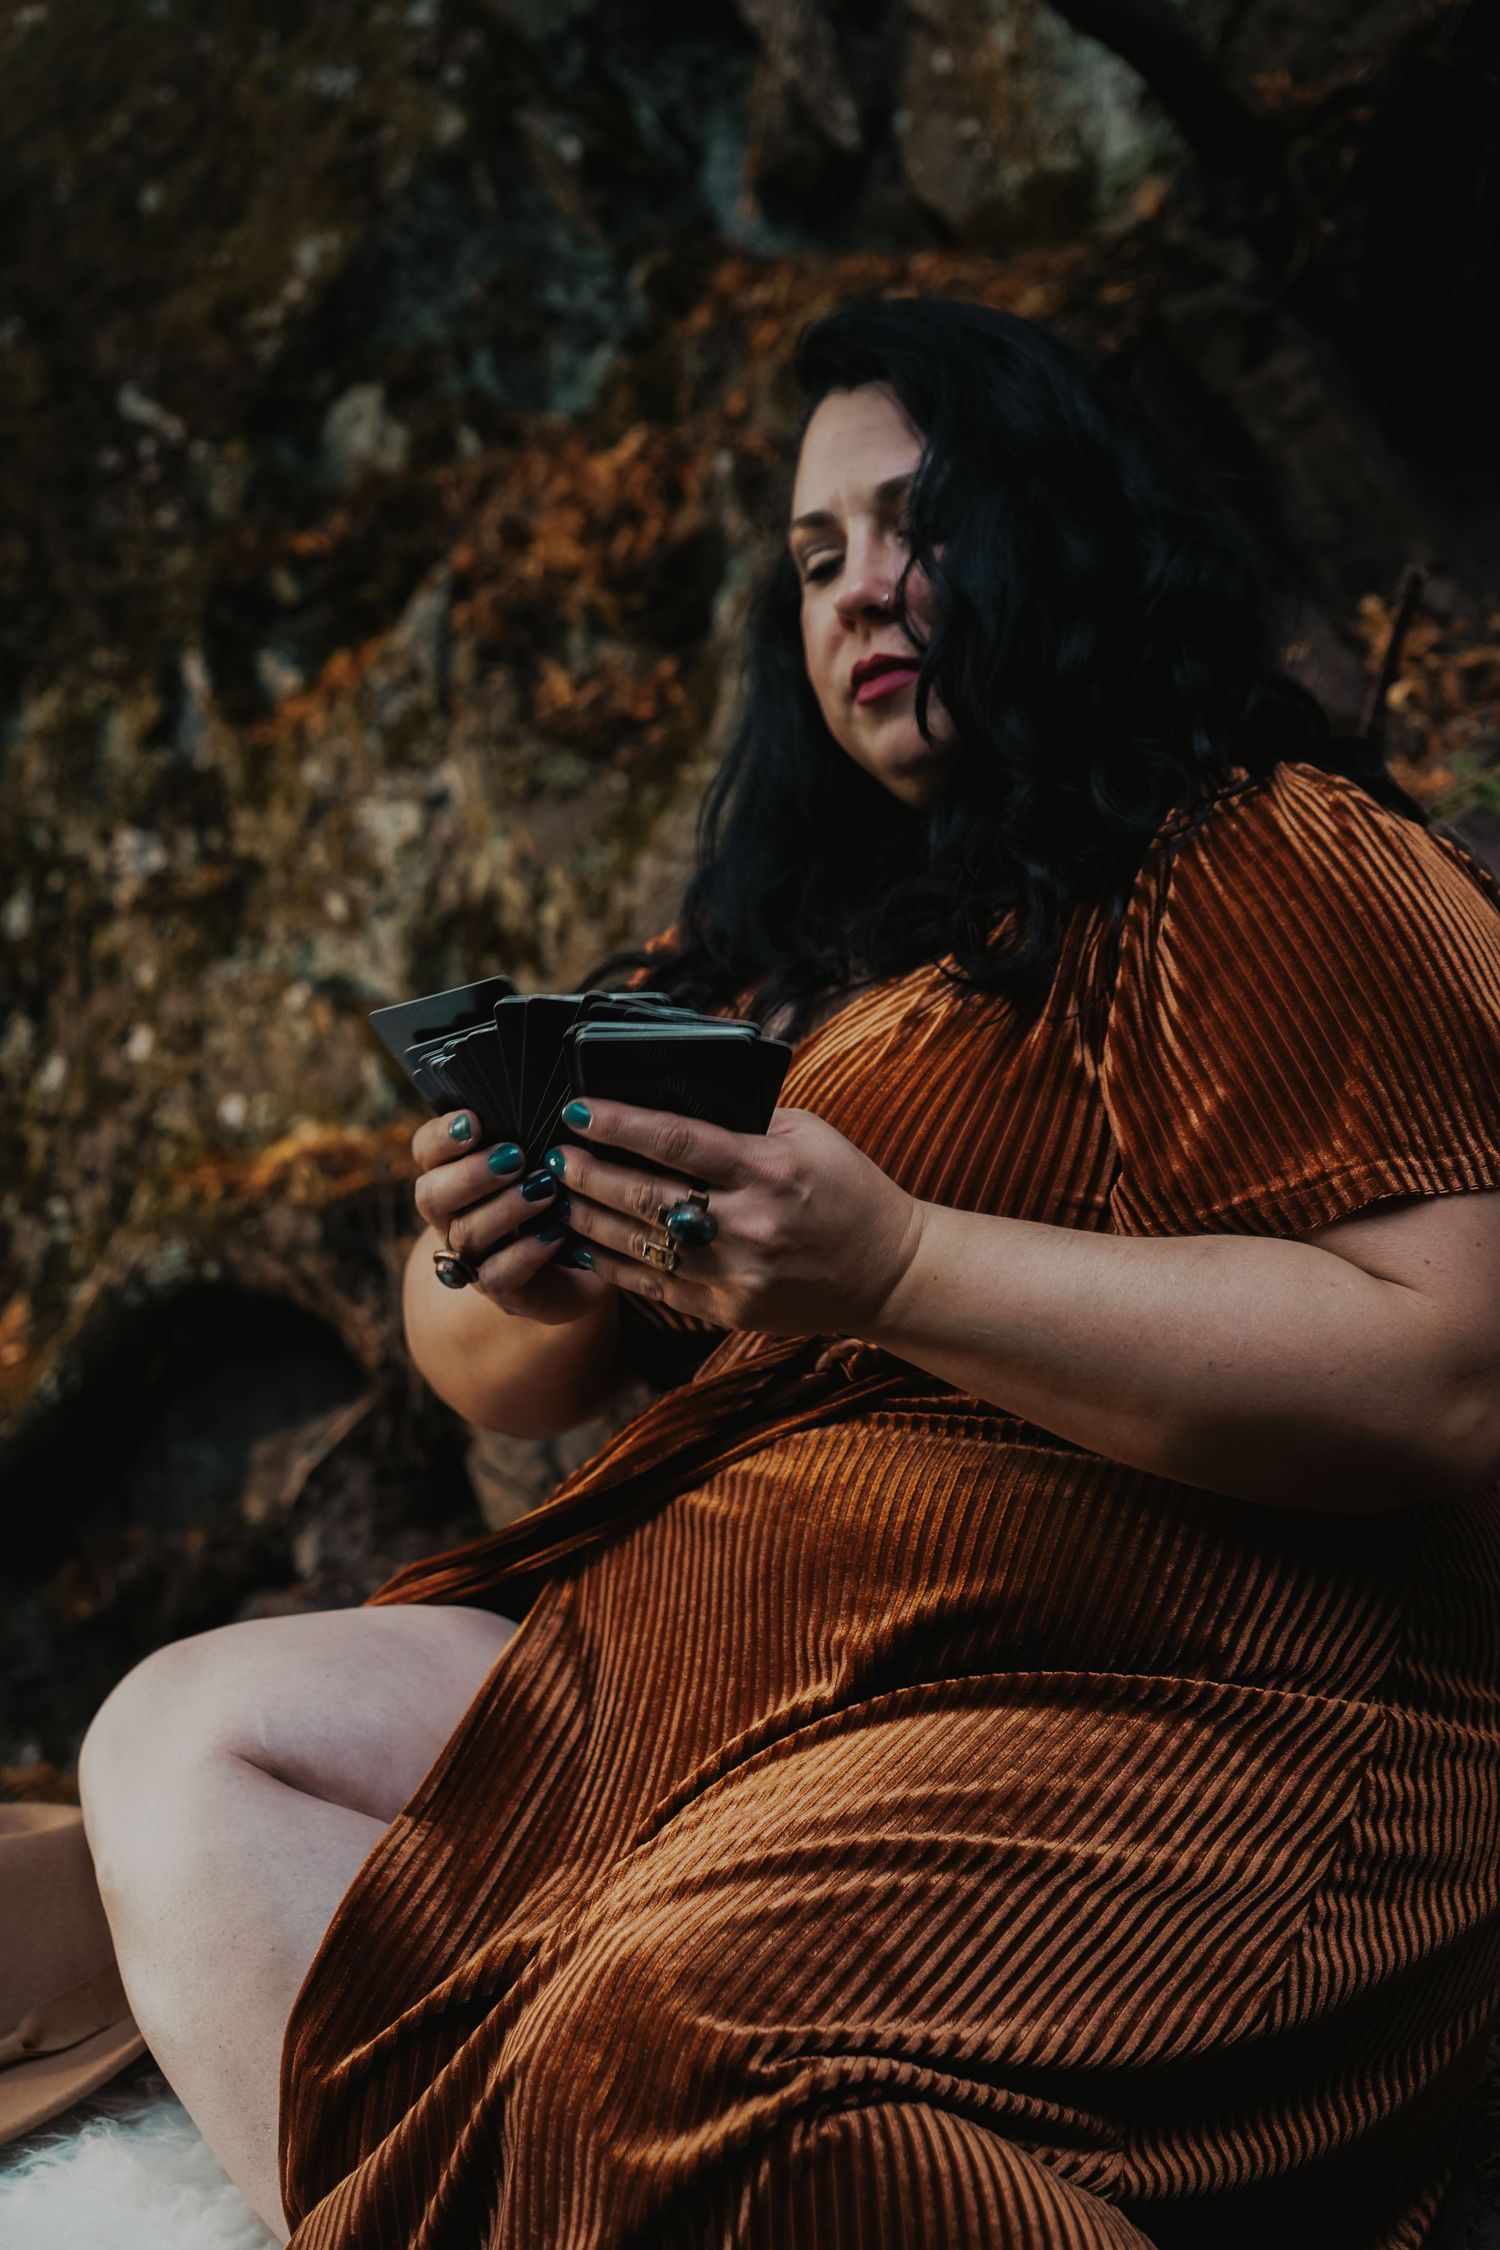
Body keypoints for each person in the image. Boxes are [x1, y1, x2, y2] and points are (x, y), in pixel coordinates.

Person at [76, 297, 1500, 2250]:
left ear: (1071, 527)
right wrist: (508, 1258)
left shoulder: (1272, 852)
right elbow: (500, 1380)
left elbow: (1444, 1376)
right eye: (815, 559)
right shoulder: (761, 952)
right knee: (184, 1736)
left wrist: (899, 1266)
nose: (856, 594)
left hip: (1150, 1678)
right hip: (713, 1651)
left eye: (919, 526)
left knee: (653, 2030)